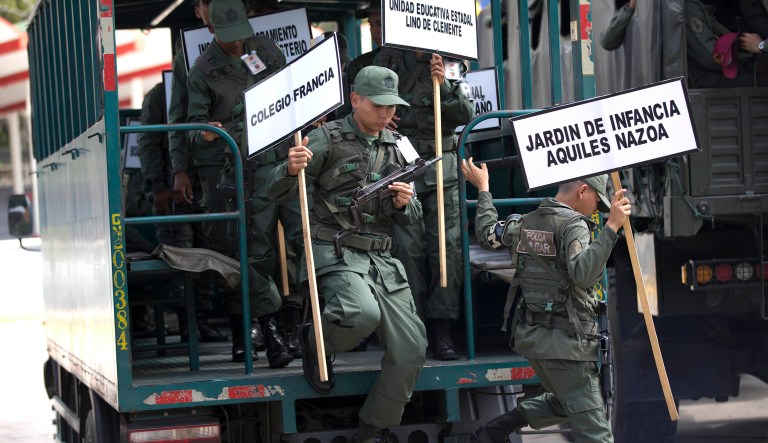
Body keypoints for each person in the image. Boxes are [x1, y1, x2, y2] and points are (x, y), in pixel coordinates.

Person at [267, 66, 428, 442]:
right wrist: (290, 170)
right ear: (355, 100)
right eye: (378, 105)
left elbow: (415, 215)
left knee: (412, 346)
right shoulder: (326, 138)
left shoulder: (400, 144)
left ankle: (373, 429)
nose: (387, 114)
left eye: (392, 106)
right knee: (360, 314)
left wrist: (406, 204)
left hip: (382, 260)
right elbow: (278, 192)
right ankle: (312, 341)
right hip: (336, 251)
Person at [462, 159, 631, 443]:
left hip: (534, 340)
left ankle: (494, 430)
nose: (597, 211)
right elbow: (582, 274)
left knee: (567, 403)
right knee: (597, 435)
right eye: (597, 203)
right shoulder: (575, 225)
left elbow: (488, 235)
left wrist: (484, 189)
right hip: (566, 345)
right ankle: (493, 431)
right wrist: (611, 228)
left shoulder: (526, 222)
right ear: (582, 191)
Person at [187, 0, 293, 367]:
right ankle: (257, 327)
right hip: (238, 173)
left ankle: (283, 326)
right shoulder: (201, 70)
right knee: (245, 251)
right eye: (229, 39)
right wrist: (206, 133)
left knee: (284, 247)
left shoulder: (265, 49)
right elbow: (191, 128)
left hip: (280, 163)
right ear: (212, 30)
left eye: (241, 37)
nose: (237, 45)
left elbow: (290, 93)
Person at [374, 47, 475, 360]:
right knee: (407, 250)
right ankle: (412, 325)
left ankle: (441, 325)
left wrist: (443, 83)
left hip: (441, 167)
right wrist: (383, 117)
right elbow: (370, 101)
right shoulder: (389, 59)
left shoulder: (451, 61)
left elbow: (465, 114)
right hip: (401, 164)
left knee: (448, 249)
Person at [137, 82, 228, 343]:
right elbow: (149, 142)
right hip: (174, 192)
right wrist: (158, 185)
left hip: (208, 187)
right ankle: (188, 325)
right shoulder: (160, 95)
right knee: (180, 258)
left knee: (209, 256)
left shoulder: (209, 83)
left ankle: (199, 321)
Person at [685, 0, 760, 87]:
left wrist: (754, 66)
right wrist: (746, 64)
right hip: (705, 79)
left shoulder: (699, 6)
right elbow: (713, 58)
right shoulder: (690, 9)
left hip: (713, 74)